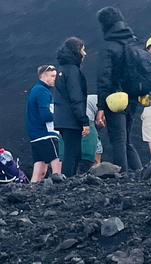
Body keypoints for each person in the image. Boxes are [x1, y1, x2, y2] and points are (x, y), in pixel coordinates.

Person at [94, 7, 143, 172]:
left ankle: (121, 179)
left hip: (115, 99)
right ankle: (138, 174)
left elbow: (104, 79)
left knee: (118, 140)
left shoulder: (109, 47)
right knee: (127, 139)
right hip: (133, 97)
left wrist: (101, 107)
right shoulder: (134, 42)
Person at [55, 37, 90, 177]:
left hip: (62, 118)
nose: (85, 53)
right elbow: (76, 98)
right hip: (71, 120)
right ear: (76, 51)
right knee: (73, 154)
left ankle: (68, 183)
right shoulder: (73, 71)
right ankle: (68, 183)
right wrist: (84, 120)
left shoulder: (62, 69)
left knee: (72, 152)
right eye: (82, 49)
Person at [25, 64, 62, 182]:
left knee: (39, 172)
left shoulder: (35, 90)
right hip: (47, 134)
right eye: (52, 76)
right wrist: (60, 118)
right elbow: (45, 115)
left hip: (35, 136)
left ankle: (29, 193)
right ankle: (59, 191)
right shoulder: (42, 92)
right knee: (57, 166)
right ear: (43, 77)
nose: (55, 78)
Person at [81, 93, 103, 169]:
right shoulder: (102, 103)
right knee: (96, 146)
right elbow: (99, 122)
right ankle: (96, 168)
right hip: (87, 121)